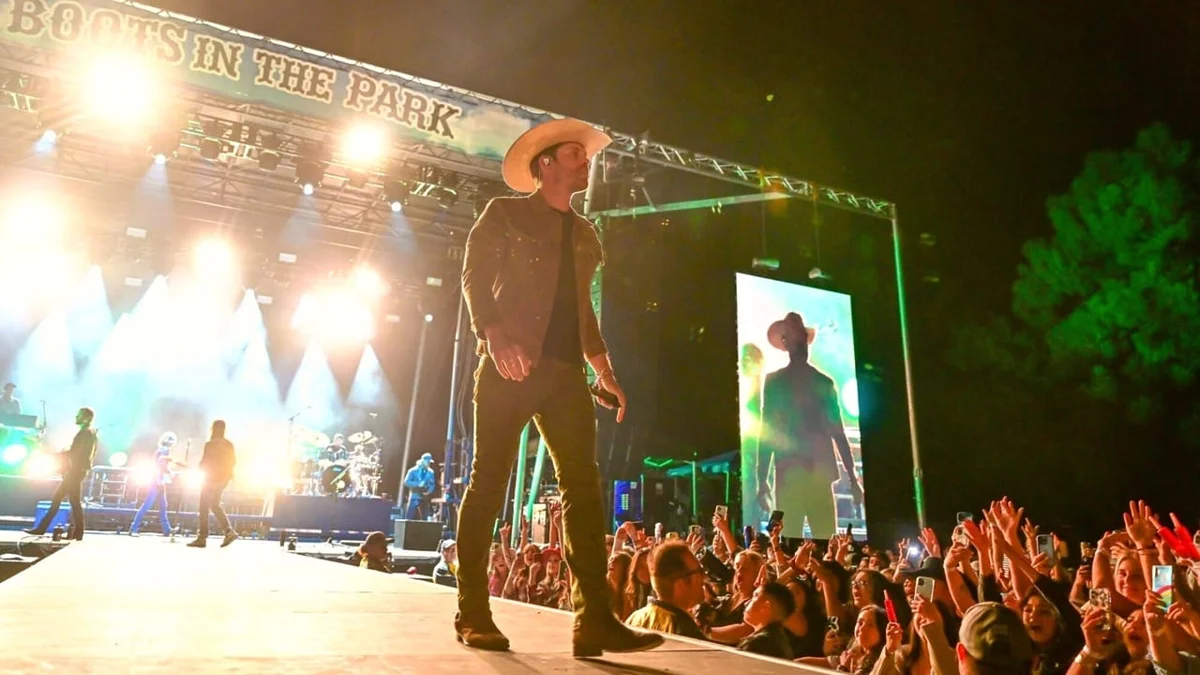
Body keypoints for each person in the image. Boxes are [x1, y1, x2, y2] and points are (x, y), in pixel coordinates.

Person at [454, 118, 662, 657]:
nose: (585, 164)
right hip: (509, 367)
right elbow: (474, 277)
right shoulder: (505, 213)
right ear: (545, 164)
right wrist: (494, 336)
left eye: (586, 157)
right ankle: (472, 610)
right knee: (488, 483)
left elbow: (583, 312)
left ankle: (593, 619)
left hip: (566, 374)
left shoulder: (587, 233)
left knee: (584, 489)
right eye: (575, 155)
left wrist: (605, 370)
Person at [755, 312, 862, 539]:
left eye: (801, 337)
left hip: (810, 478)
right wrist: (761, 480)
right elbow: (767, 433)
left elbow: (838, 432)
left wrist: (854, 479)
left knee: (822, 541)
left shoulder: (821, 382)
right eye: (796, 337)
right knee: (790, 541)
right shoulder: (778, 382)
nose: (800, 342)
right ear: (786, 343)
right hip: (793, 478)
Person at [25, 407, 96, 540]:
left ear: (86, 418)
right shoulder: (89, 432)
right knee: (69, 501)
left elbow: (74, 452)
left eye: (79, 415)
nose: (76, 417)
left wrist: (52, 455)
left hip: (75, 471)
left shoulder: (85, 433)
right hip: (77, 470)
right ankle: (76, 533)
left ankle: (43, 529)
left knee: (64, 500)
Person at [625, 542, 708, 639]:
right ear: (680, 584)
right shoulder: (683, 630)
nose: (705, 577)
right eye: (699, 571)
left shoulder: (634, 619)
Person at [187, 420, 238, 548]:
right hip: (223, 480)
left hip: (210, 479)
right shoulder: (229, 444)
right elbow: (233, 461)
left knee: (204, 507)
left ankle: (202, 537)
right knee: (214, 505)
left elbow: (205, 463)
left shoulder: (210, 444)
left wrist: (197, 468)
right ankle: (228, 531)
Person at [129, 431, 176, 536]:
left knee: (163, 505)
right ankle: (134, 528)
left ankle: (167, 529)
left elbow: (161, 465)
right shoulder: (164, 450)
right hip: (157, 480)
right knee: (148, 504)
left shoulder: (161, 450)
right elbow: (159, 465)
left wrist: (169, 472)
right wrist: (160, 477)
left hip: (158, 480)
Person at [403, 453, 437, 520]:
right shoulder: (413, 470)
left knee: (425, 518)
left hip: (425, 497)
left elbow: (432, 484)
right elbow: (406, 482)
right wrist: (417, 484)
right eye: (427, 462)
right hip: (414, 495)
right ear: (423, 461)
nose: (429, 463)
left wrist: (429, 491)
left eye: (430, 462)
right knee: (409, 516)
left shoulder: (430, 472)